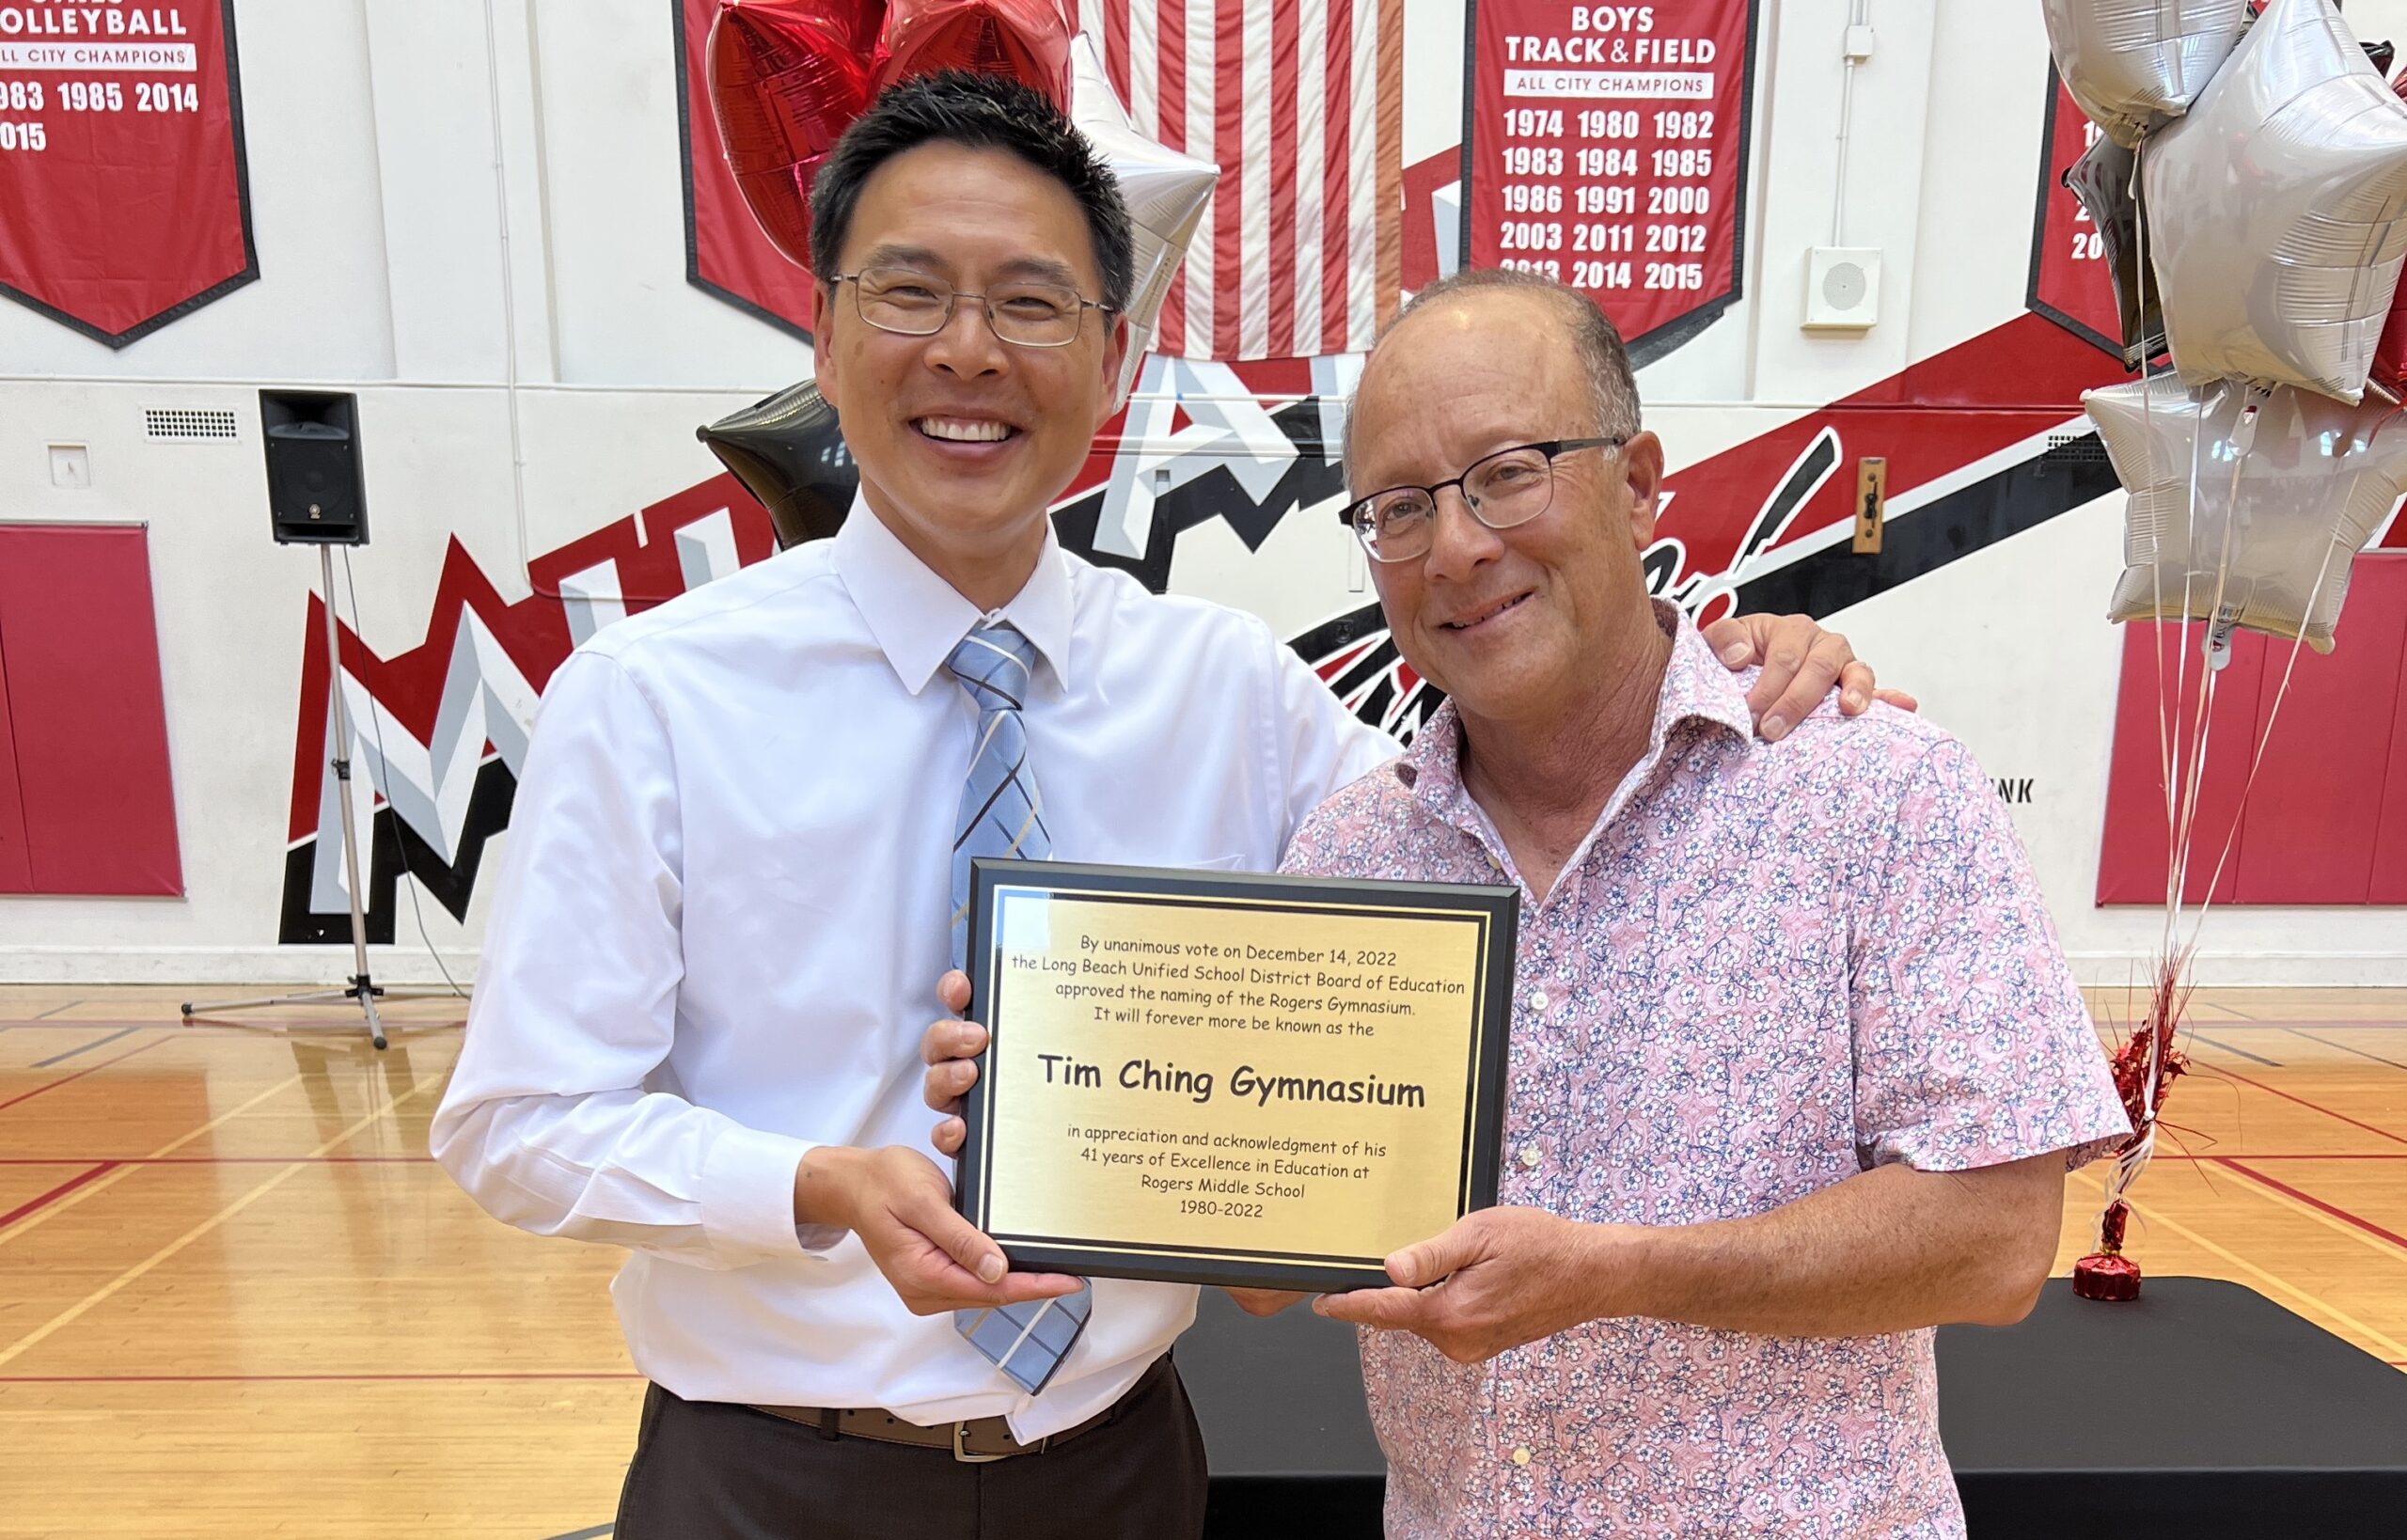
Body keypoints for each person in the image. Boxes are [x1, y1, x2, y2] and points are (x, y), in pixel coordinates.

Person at [433, 74, 1898, 1540]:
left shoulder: (1229, 692)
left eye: (1029, 302)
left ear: (1115, 357)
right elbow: (522, 1120)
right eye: (909, 292)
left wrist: (1711, 660)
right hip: (770, 1475)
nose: (967, 349)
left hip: (1118, 1469)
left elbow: (1493, 818)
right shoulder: (650, 697)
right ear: (823, 335)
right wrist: (812, 1183)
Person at [1280, 269, 2127, 1536]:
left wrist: (1621, 1273)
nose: (1455, 545)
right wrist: (1064, 1096)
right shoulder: (1354, 858)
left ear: (1636, 483)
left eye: (1510, 471)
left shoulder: (1878, 788)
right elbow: (1262, 1240)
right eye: (1399, 508)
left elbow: (1998, 1241)